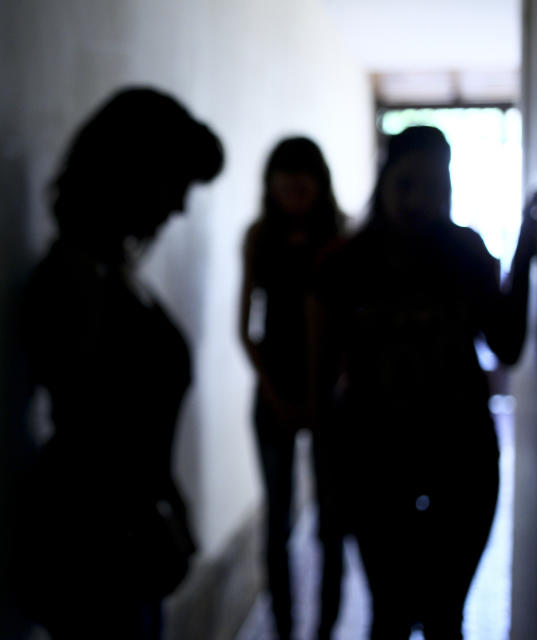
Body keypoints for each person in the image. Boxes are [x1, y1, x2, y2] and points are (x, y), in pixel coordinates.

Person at [310, 126, 537, 639]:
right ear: (386, 179)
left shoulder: (464, 250)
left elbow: (506, 342)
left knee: (443, 616)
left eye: (435, 185)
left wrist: (524, 254)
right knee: (390, 613)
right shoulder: (344, 264)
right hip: (376, 461)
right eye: (408, 183)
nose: (419, 199)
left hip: (462, 458)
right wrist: (329, 483)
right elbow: (320, 381)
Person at [19, 87, 223, 639]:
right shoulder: (79, 276)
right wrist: (155, 509)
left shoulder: (111, 271)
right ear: (132, 171)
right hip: (96, 548)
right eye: (176, 183)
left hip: (119, 541)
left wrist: (169, 503)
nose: (180, 207)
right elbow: (95, 427)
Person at [239, 137, 345, 640]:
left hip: (330, 396)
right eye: (286, 179)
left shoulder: (340, 239)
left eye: (302, 179)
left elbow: (348, 330)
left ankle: (324, 627)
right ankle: (284, 629)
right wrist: (278, 394)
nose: (294, 189)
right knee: (277, 520)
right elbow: (246, 328)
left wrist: (319, 395)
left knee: (331, 522)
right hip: (275, 392)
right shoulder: (260, 238)